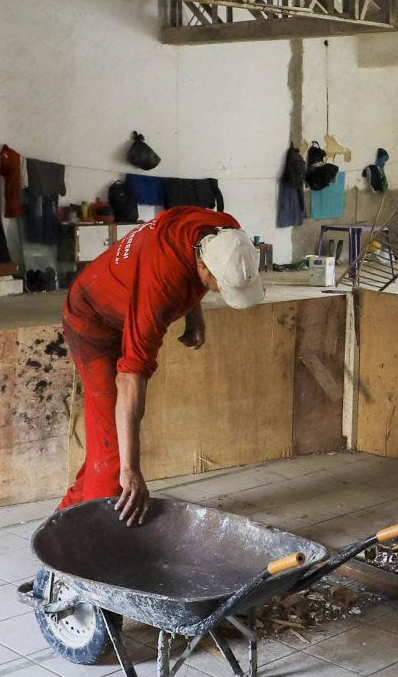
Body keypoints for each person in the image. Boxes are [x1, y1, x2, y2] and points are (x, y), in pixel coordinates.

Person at [61, 207, 265, 521]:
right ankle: (96, 545)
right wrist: (132, 471)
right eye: (221, 286)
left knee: (106, 442)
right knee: (114, 455)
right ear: (203, 266)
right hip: (93, 319)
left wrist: (193, 313)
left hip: (123, 302)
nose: (222, 293)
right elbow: (130, 378)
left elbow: (189, 267)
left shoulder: (223, 232)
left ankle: (65, 517)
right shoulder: (159, 288)